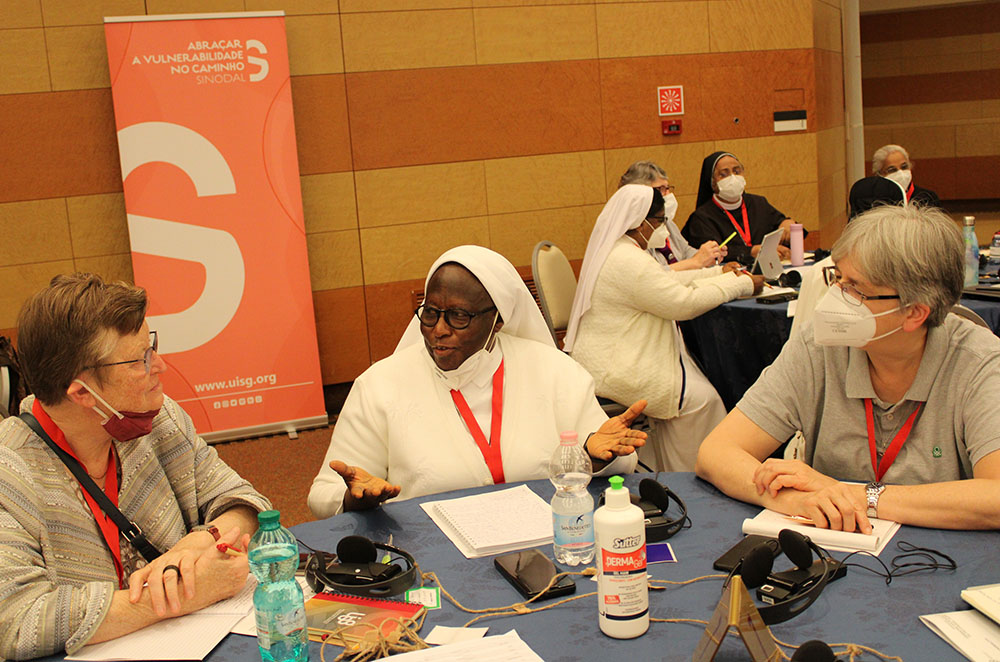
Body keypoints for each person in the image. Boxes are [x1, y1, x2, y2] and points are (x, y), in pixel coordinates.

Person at [0, 274, 271, 660]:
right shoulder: (9, 471)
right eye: (140, 360)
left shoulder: (159, 421)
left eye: (152, 346)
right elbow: (15, 619)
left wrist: (203, 539)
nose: (159, 365)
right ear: (82, 393)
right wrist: (185, 593)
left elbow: (243, 501)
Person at [696, 204, 1000, 532]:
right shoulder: (820, 346)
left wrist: (858, 496)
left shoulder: (980, 362)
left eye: (855, 289)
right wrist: (796, 501)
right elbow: (716, 452)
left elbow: (995, 497)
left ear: (914, 313)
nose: (836, 298)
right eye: (838, 279)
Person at [308, 246, 647, 518]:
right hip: (433, 559)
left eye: (458, 316)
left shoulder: (555, 371)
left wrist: (593, 456)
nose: (439, 329)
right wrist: (357, 500)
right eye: (430, 313)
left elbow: (618, 456)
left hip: (547, 540)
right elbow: (324, 495)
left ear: (497, 320)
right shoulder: (379, 385)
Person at [564, 185, 764, 472]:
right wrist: (741, 284)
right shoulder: (628, 260)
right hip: (617, 366)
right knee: (703, 401)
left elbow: (664, 283)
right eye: (659, 221)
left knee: (698, 386)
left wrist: (717, 273)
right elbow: (682, 303)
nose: (663, 229)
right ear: (639, 222)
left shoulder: (621, 249)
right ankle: (693, 476)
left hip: (614, 355)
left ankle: (665, 467)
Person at [681, 151, 796, 266]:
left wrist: (787, 222)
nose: (733, 177)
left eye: (737, 171)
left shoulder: (758, 203)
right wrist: (751, 252)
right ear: (712, 182)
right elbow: (714, 253)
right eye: (723, 174)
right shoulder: (702, 217)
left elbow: (779, 224)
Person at [617, 160, 727, 270]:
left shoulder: (667, 222)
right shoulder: (632, 232)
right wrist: (695, 262)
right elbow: (652, 275)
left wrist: (709, 256)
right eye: (660, 189)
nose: (668, 194)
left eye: (668, 188)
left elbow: (684, 251)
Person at [872, 144, 939, 207]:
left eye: (904, 167)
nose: (900, 172)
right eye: (892, 170)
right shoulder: (875, 201)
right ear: (880, 174)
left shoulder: (928, 197)